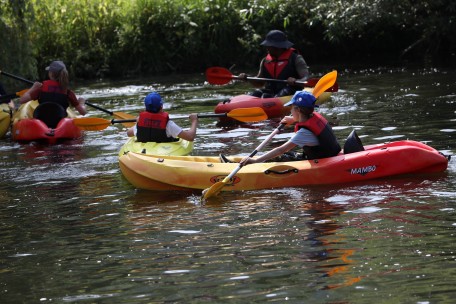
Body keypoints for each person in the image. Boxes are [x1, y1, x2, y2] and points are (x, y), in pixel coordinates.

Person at [237, 91, 341, 165]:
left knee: (281, 156)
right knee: (286, 155)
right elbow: (305, 119)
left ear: (298, 110)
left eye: (291, 108)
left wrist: (256, 161)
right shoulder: (314, 116)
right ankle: (242, 162)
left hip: (322, 162)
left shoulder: (304, 133)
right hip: (328, 155)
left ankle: (249, 164)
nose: (290, 112)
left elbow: (280, 149)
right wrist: (294, 120)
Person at [238, 30, 310, 98]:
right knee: (256, 93)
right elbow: (260, 83)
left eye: (269, 45)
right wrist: (247, 78)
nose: (266, 47)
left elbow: (306, 78)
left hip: (291, 91)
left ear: (277, 46)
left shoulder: (296, 58)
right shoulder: (265, 61)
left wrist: (295, 80)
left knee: (268, 97)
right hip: (271, 92)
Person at [19, 60, 87, 115]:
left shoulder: (41, 88)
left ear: (51, 74)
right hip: (59, 122)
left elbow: (22, 100)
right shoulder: (68, 93)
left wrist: (33, 88)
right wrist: (81, 103)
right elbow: (83, 112)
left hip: (43, 121)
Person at [127, 92, 199, 143]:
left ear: (146, 108)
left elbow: (129, 133)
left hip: (144, 153)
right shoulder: (168, 124)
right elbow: (190, 137)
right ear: (161, 107)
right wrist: (194, 120)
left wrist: (138, 122)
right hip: (164, 154)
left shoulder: (140, 123)